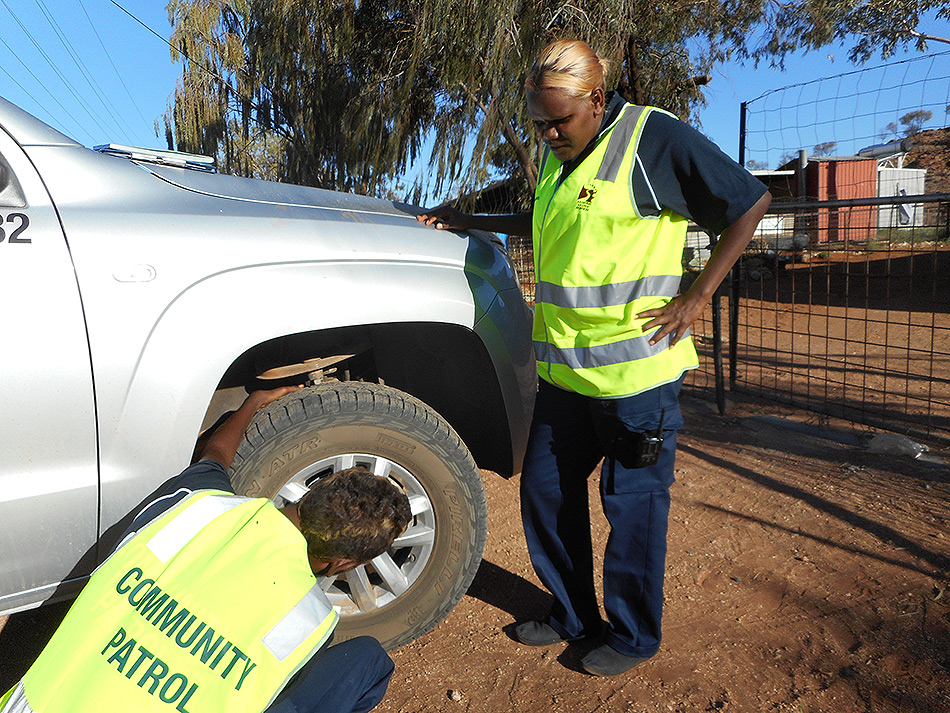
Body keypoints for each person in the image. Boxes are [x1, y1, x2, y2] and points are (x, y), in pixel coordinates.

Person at [418, 39, 771, 676]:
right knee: (547, 492)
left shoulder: (652, 140)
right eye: (539, 122)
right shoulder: (561, 158)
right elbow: (546, 222)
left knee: (631, 508)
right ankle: (573, 614)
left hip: (637, 379)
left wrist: (699, 295)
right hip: (565, 377)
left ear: (596, 100)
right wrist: (468, 218)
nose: (549, 133)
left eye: (560, 120)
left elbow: (748, 202)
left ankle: (634, 636)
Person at [1, 386, 412, 713]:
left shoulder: (195, 506)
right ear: (344, 563)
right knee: (370, 663)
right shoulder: (308, 625)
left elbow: (216, 455)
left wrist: (253, 402)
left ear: (310, 493)